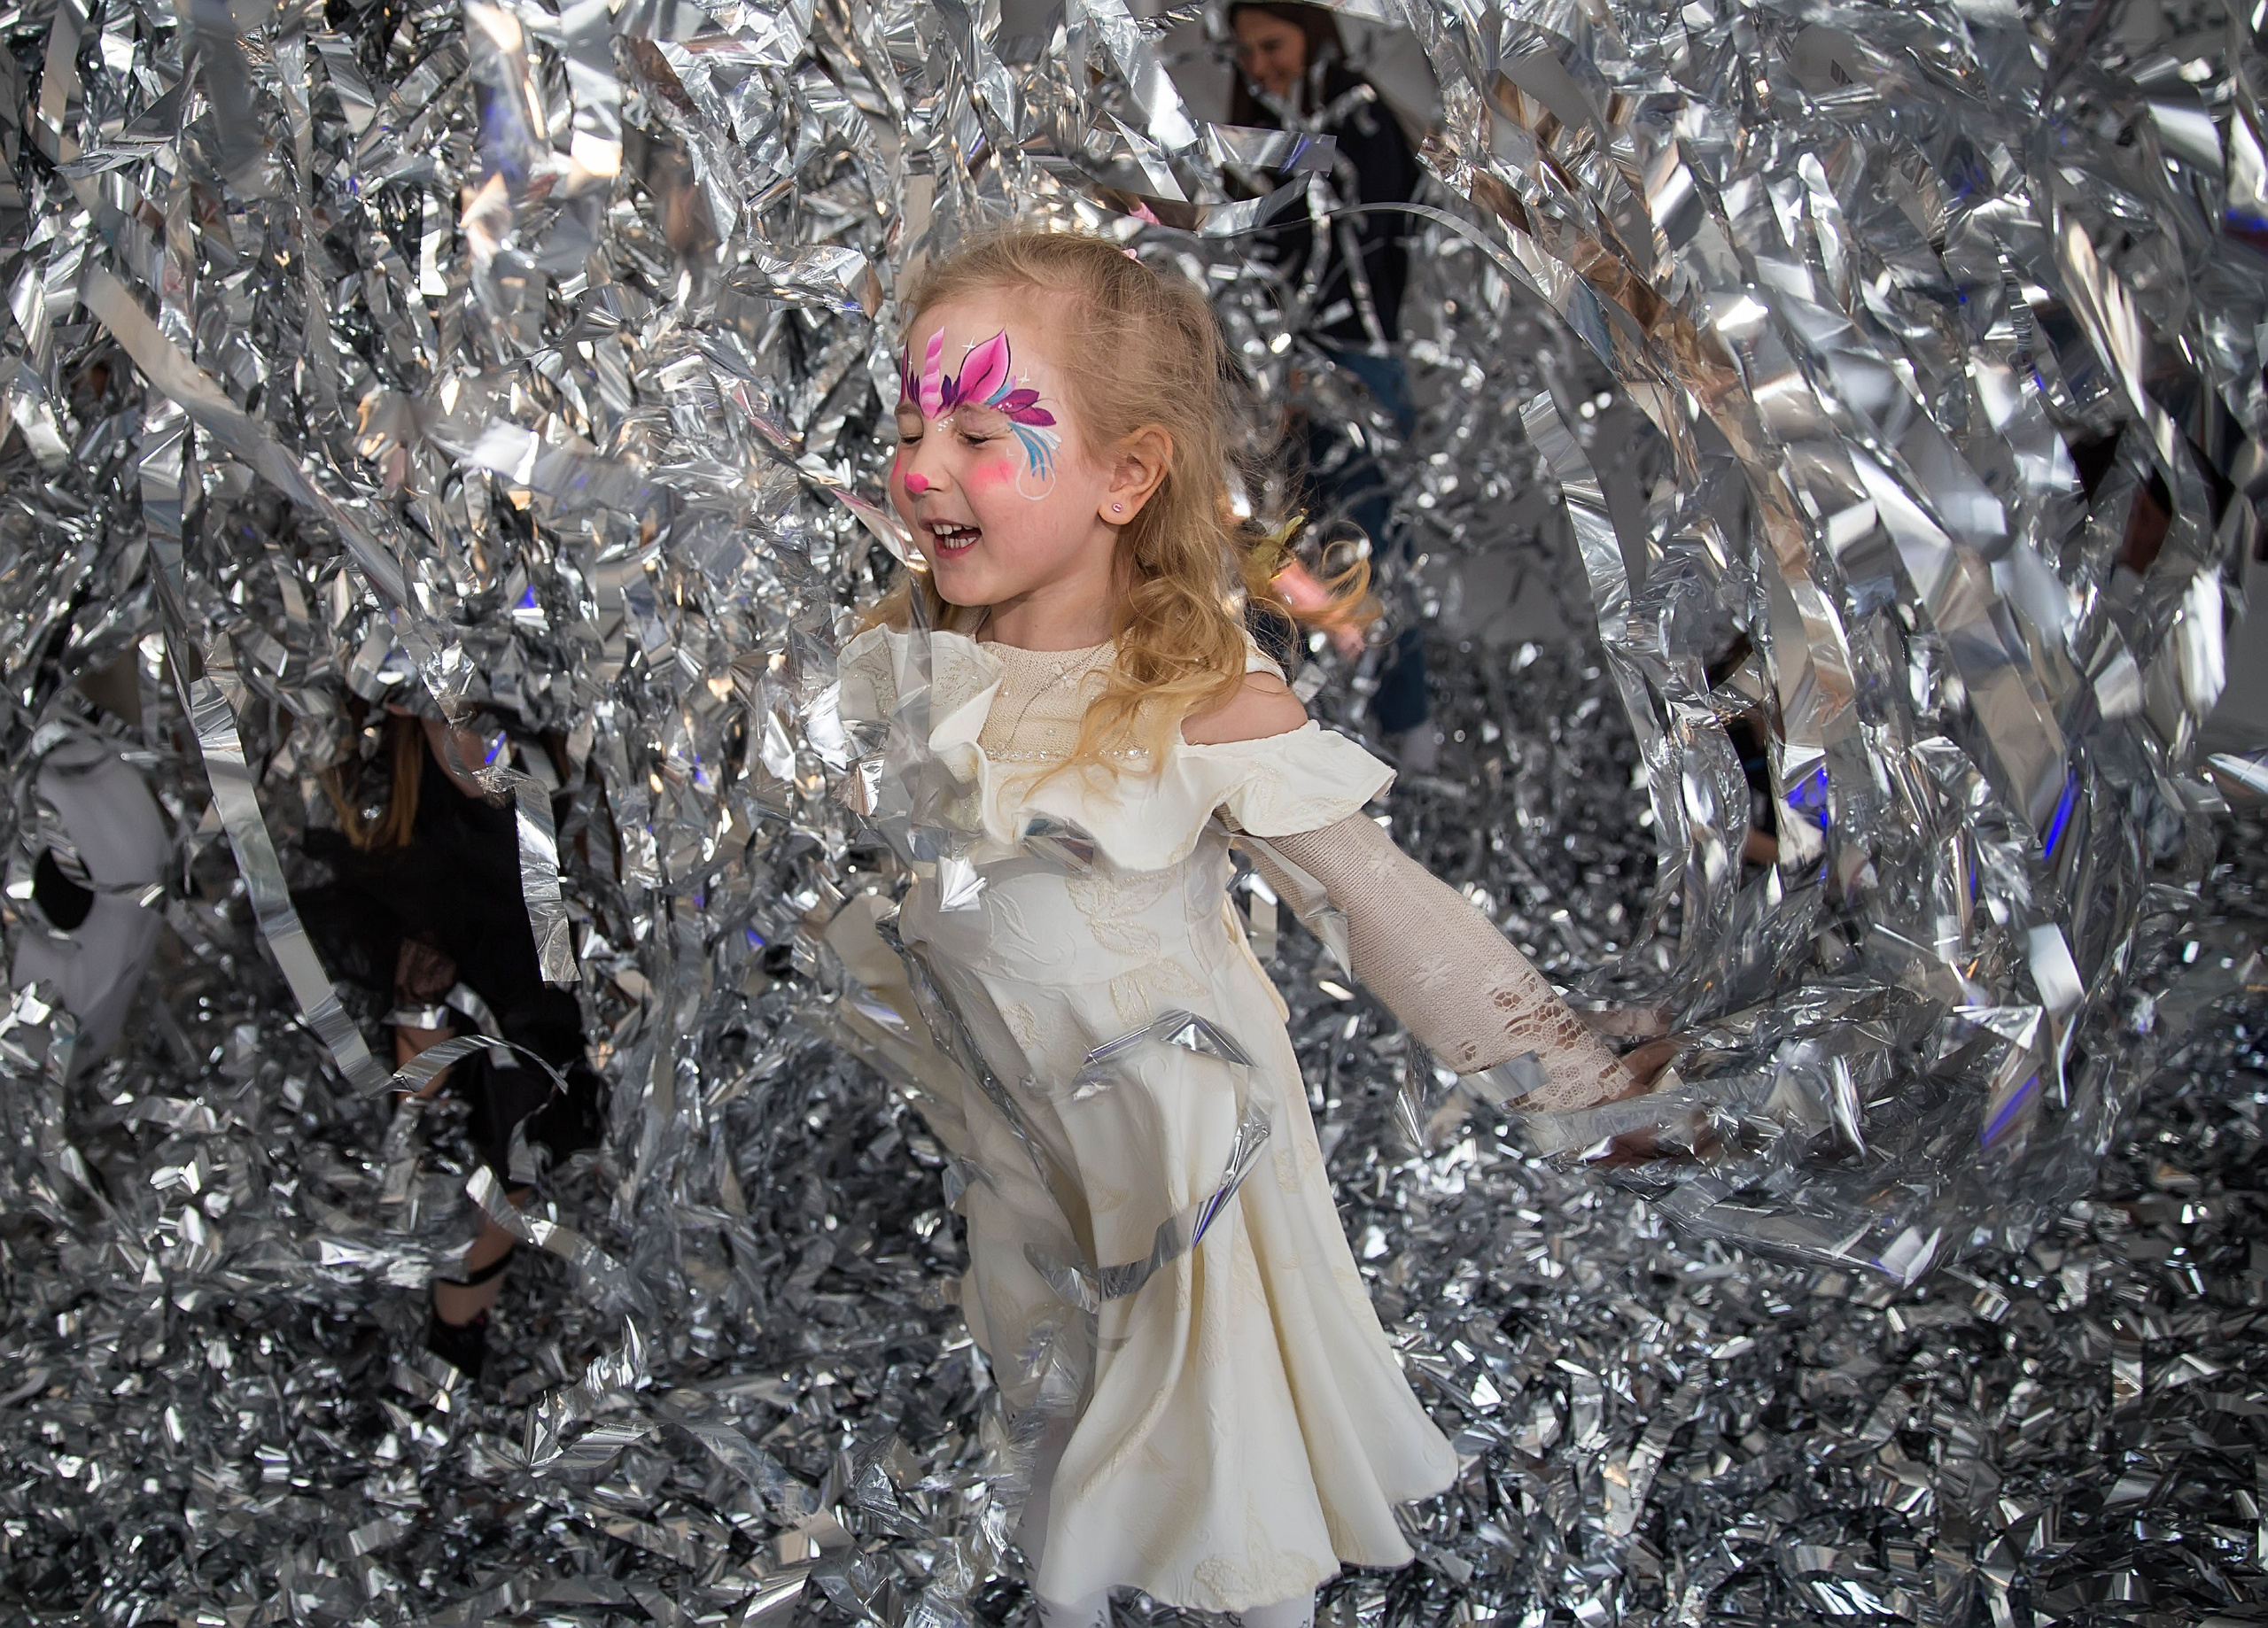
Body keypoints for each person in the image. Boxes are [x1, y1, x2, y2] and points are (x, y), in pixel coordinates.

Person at [836, 231, 1655, 1628]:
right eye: (913, 425)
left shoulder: (1194, 698)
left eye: (982, 431)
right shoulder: (908, 661)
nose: (923, 468)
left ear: (1127, 474)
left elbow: (1383, 909)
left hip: (1184, 1170)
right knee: (1061, 1437)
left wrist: (1571, 1073)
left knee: (1219, 1478)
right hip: (1035, 1167)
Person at [298, 703, 605, 1379]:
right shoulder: (416, 765)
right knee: (458, 1124)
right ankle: (442, 1302)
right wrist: (421, 1090)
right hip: (453, 946)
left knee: (508, 1155)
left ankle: (453, 1331)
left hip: (540, 973)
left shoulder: (545, 747)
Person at [1229, 1, 1436, 764]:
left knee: (1367, 555)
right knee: (1278, 557)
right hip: (1273, 385)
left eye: (1272, 44)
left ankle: (1407, 741)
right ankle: (1304, 741)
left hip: (1353, 371)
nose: (1260, 64)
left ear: (1313, 35)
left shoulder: (1360, 125)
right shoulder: (1257, 142)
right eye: (1247, 52)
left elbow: (1380, 242)